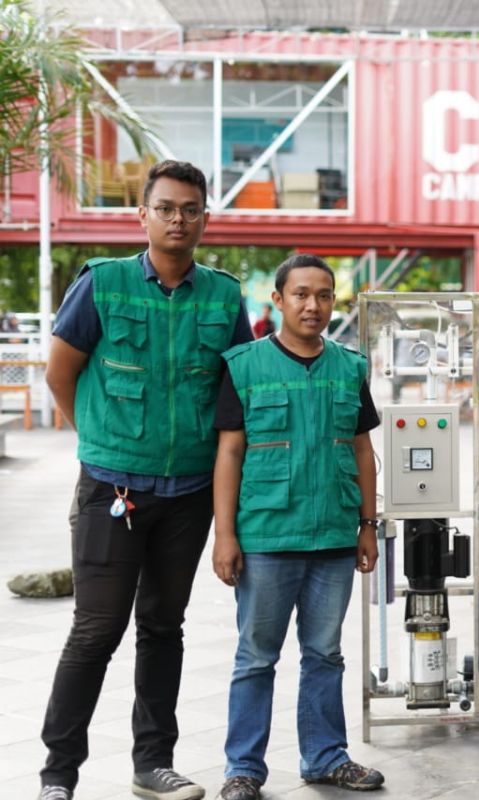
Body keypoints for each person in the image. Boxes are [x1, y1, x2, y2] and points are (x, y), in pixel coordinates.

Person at [40, 160, 253, 800]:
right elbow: (60, 374)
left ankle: (152, 763)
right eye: (166, 208)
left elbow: (232, 393)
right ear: (144, 215)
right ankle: (57, 776)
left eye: (191, 209)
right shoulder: (102, 284)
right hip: (112, 490)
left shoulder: (223, 296)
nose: (178, 219)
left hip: (187, 494)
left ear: (205, 218)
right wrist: (102, 440)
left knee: (164, 626)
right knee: (96, 629)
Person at [211, 254, 385, 800]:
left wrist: (367, 526)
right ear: (278, 301)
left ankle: (326, 757)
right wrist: (225, 535)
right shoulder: (244, 366)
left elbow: (362, 451)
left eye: (325, 295)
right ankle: (243, 768)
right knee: (256, 657)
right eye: (302, 294)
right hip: (265, 538)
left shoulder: (350, 367)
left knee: (325, 654)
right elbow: (230, 452)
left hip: (334, 538)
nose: (314, 305)